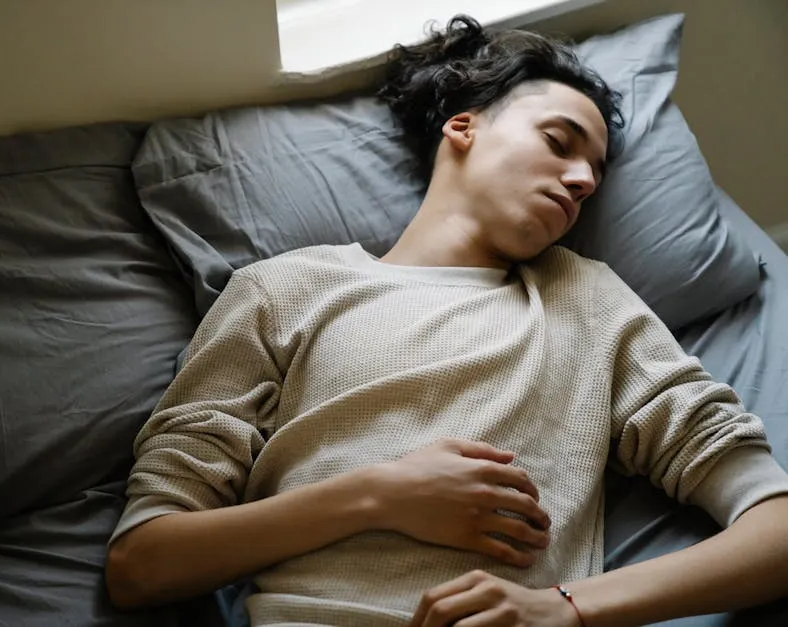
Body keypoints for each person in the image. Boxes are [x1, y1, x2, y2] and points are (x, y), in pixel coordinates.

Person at [105, 15, 788, 627]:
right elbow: (142, 563)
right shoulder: (283, 289)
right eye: (560, 141)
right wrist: (377, 494)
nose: (582, 179)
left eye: (595, 173)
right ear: (464, 126)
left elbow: (776, 527)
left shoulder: (585, 298)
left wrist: (563, 608)